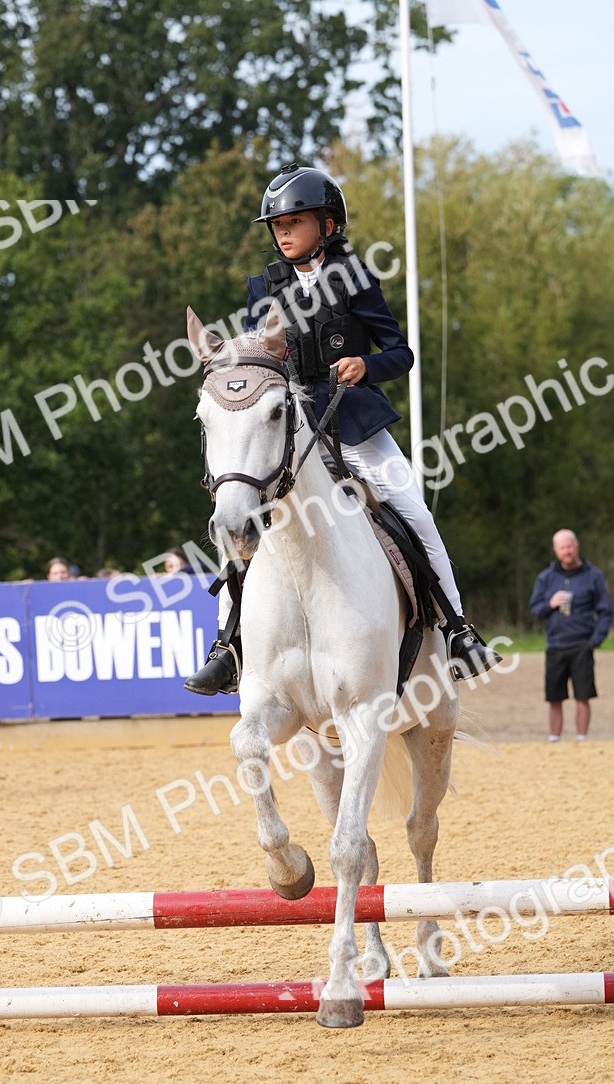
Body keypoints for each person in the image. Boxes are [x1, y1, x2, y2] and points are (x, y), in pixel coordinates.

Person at [185, 163, 500, 696]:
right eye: (277, 225)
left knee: (415, 514)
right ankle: (228, 646)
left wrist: (365, 366)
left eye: (295, 221)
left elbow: (400, 352)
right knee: (237, 523)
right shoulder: (263, 286)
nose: (283, 232)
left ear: (328, 225)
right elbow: (261, 356)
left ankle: (458, 631)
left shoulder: (356, 279)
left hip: (352, 421)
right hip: (289, 428)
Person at [529, 529, 612, 742]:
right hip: (555, 646)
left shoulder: (593, 576)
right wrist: (550, 603)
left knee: (583, 697)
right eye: (562, 547)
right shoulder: (546, 578)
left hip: (582, 645)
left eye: (570, 545)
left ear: (577, 546)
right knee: (554, 697)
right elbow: (535, 610)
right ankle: (554, 739)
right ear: (556, 550)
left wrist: (594, 641)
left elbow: (605, 611)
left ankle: (581, 739)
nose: (567, 550)